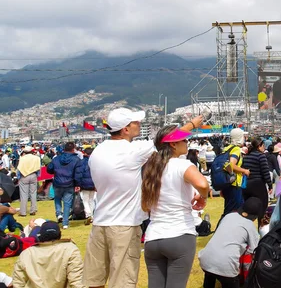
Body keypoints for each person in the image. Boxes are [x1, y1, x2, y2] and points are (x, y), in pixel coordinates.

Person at [83, 107, 204, 288]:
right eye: (135, 122)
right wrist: (193, 124)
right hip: (124, 224)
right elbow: (166, 139)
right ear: (125, 129)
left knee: (94, 280)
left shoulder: (98, 152)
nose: (139, 125)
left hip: (100, 222)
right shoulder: (132, 151)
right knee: (122, 281)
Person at [141, 125, 210, 288]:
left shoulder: (151, 168)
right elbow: (202, 183)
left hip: (153, 237)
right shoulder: (182, 165)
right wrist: (203, 197)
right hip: (179, 233)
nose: (187, 142)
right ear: (173, 144)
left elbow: (145, 205)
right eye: (184, 140)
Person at [198, 197, 262, 288]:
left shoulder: (229, 216)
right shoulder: (251, 227)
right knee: (228, 280)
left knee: (210, 275)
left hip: (205, 259)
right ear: (256, 217)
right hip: (226, 266)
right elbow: (252, 253)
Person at [12, 221, 85, 288]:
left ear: (40, 236)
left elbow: (18, 283)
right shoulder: (70, 249)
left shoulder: (26, 253)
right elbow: (76, 281)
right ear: (59, 235)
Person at [219, 128, 250, 224]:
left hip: (227, 184)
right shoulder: (236, 150)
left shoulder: (226, 148)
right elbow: (231, 165)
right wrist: (244, 171)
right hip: (234, 184)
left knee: (229, 210)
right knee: (234, 211)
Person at [46, 142, 80, 229]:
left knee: (57, 199)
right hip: (69, 183)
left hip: (58, 182)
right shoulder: (76, 159)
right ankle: (65, 222)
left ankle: (58, 213)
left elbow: (49, 169)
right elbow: (78, 173)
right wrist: (77, 184)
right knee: (67, 203)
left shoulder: (56, 158)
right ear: (73, 149)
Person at [241, 138, 273, 221]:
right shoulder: (261, 156)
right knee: (262, 207)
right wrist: (270, 185)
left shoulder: (246, 156)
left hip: (247, 185)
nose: (264, 148)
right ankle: (261, 227)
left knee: (248, 208)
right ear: (259, 146)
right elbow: (265, 172)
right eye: (263, 146)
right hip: (258, 185)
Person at [15, 146, 40, 217]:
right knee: (33, 193)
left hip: (24, 176)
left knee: (23, 194)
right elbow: (38, 168)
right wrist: (37, 175)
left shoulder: (22, 158)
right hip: (33, 175)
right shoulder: (36, 158)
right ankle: (33, 210)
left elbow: (19, 169)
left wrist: (18, 177)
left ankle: (23, 212)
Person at [74, 147, 95, 225]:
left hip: (84, 184)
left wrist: (78, 184)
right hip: (93, 183)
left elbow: (78, 174)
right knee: (91, 200)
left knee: (85, 200)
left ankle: (88, 214)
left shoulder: (81, 162)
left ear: (84, 153)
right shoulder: (95, 162)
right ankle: (92, 216)